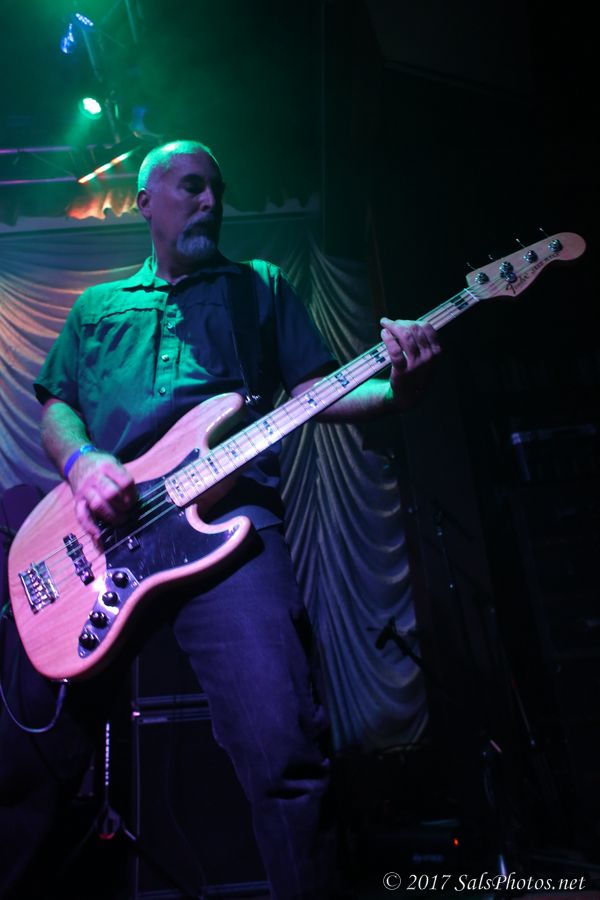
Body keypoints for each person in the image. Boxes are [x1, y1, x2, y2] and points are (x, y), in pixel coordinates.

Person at [0, 139, 441, 899]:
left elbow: (318, 393)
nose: (211, 202)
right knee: (32, 757)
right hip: (102, 536)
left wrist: (401, 386)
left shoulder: (259, 285)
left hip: (232, 529)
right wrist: (84, 464)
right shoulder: (98, 308)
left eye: (218, 191)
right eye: (192, 187)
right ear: (145, 201)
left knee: (282, 746)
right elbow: (57, 408)